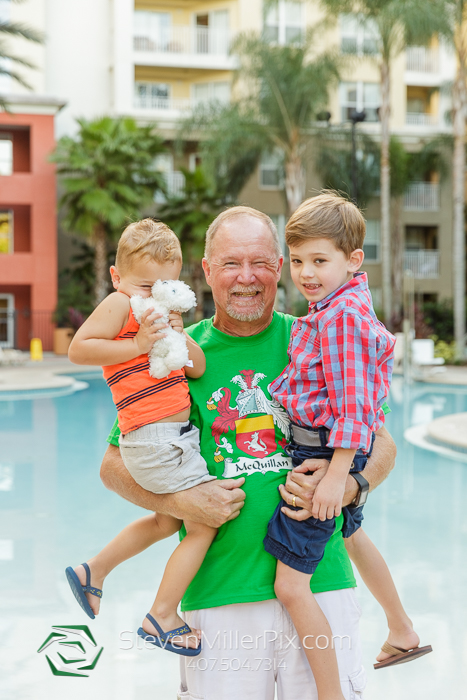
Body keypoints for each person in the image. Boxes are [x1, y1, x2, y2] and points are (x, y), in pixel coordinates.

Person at [98, 206, 397, 700]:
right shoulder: (173, 352)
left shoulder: (318, 338)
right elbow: (114, 466)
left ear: (280, 268)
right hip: (220, 597)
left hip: (322, 583)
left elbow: (379, 440)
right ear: (206, 271)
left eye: (259, 262)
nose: (246, 277)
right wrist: (181, 505)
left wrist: (349, 486)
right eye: (230, 263)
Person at [264, 193, 429, 699]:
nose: (306, 273)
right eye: (296, 261)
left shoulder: (339, 320)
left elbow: (355, 406)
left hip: (327, 458)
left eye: (319, 260)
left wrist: (338, 476)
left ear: (352, 260)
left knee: (290, 586)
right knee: (352, 536)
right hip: (332, 452)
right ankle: (402, 629)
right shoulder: (337, 305)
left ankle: (331, 695)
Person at [66, 219, 218, 654]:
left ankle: (92, 571)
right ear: (118, 278)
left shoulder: (160, 316)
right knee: (203, 523)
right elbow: (79, 348)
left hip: (172, 438)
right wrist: (136, 346)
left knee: (166, 522)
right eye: (144, 285)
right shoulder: (119, 304)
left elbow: (199, 368)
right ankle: (162, 616)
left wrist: (177, 331)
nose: (152, 294)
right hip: (154, 438)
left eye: (165, 285)